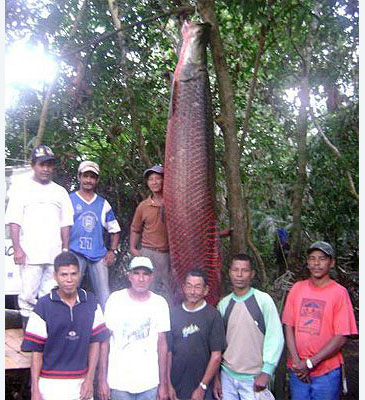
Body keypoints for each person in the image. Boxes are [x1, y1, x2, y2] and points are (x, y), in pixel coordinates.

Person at [21, 251, 109, 400]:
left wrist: (89, 379)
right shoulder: (43, 305)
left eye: (73, 274)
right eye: (64, 275)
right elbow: (37, 352)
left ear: (80, 274)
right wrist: (35, 389)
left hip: (81, 384)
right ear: (55, 276)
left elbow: (96, 342)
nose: (69, 279)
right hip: (50, 385)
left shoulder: (90, 302)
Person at [5, 144, 74, 328]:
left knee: (49, 294)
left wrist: (65, 250)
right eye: (42, 164)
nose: (46, 169)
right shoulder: (21, 189)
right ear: (33, 165)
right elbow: (14, 221)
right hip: (30, 253)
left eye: (49, 165)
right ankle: (29, 333)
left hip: (54, 254)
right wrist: (17, 249)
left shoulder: (59, 191)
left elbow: (66, 222)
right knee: (27, 295)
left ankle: (45, 334)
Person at [282, 241, 358, 400]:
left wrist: (310, 363)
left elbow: (341, 336)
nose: (316, 263)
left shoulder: (339, 293)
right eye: (312, 258)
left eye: (322, 259)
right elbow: (289, 326)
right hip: (298, 371)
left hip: (327, 373)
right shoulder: (297, 288)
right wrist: (297, 362)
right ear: (307, 262)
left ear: (332, 263)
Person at [98, 256, 170, 400]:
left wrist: (163, 384)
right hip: (119, 381)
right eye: (137, 273)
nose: (141, 278)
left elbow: (162, 345)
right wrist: (102, 379)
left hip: (149, 382)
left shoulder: (159, 303)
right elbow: (104, 342)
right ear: (129, 276)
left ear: (151, 277)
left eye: (145, 274)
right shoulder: (115, 300)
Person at [214, 253, 284, 400]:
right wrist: (217, 377)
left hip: (254, 378)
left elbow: (275, 336)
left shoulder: (263, 301)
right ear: (230, 272)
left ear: (252, 274)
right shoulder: (224, 304)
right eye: (235, 270)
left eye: (244, 270)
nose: (239, 275)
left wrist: (266, 371)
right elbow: (218, 343)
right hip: (227, 375)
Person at [167, 269, 226, 400]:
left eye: (198, 287)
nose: (193, 292)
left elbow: (216, 356)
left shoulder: (213, 315)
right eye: (189, 286)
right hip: (176, 387)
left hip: (203, 388)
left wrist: (202, 387)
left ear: (206, 290)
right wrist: (168, 384)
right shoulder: (173, 314)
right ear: (183, 288)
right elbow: (167, 352)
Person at [69, 160, 121, 309]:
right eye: (85, 176)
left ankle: (108, 328)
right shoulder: (70, 200)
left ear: (97, 180)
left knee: (104, 294)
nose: (88, 180)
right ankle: (70, 325)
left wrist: (112, 250)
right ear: (79, 177)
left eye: (92, 177)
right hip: (75, 252)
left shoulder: (102, 203)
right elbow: (62, 227)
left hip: (98, 254)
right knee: (70, 291)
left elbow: (115, 229)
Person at [130, 165, 173, 303]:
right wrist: (133, 248)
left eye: (158, 178)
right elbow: (135, 228)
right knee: (147, 288)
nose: (154, 182)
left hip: (166, 254)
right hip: (147, 252)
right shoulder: (143, 206)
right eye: (151, 179)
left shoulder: (173, 203)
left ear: (164, 181)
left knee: (169, 290)